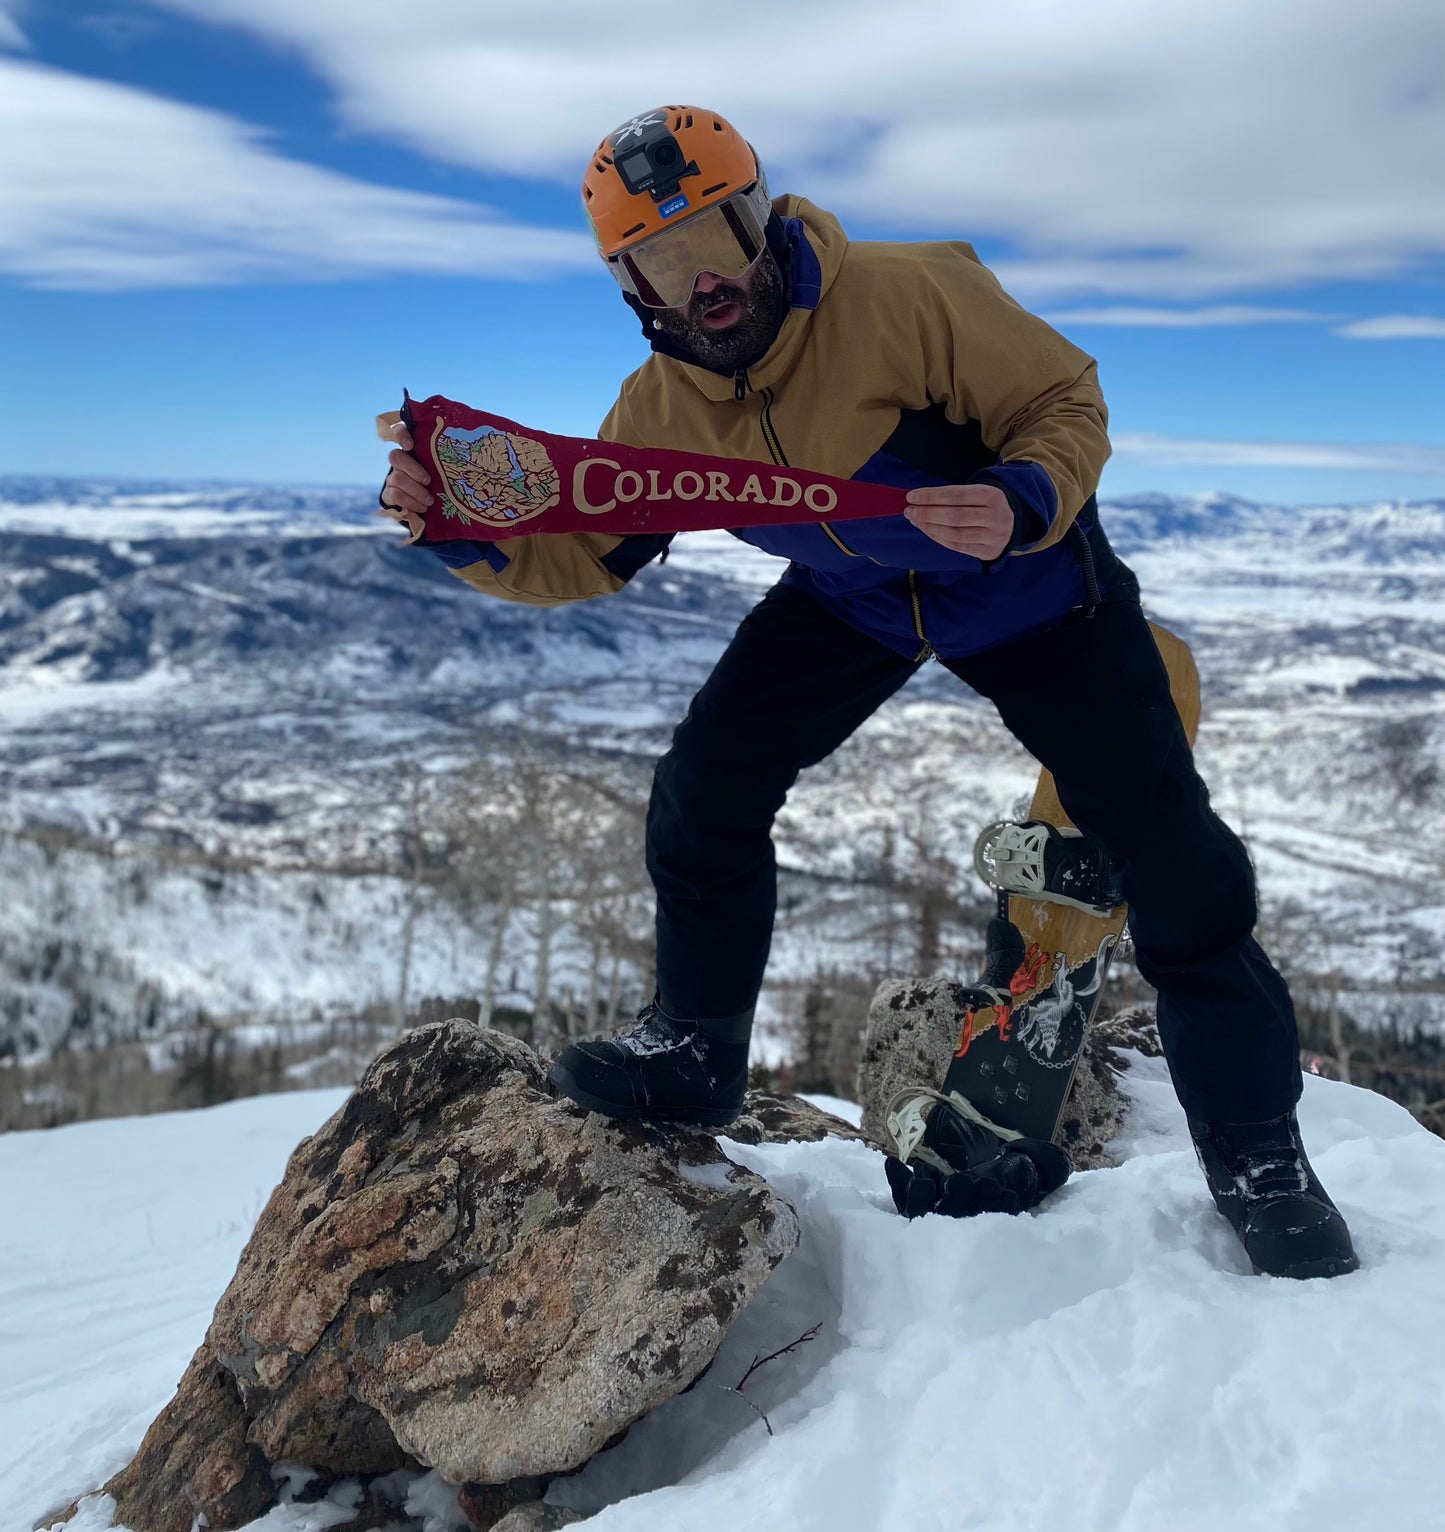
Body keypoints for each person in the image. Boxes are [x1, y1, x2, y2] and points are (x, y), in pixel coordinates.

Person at [380, 105, 1358, 1279]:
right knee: (704, 789)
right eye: (661, 261)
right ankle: (695, 1048)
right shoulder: (660, 405)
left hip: (1031, 597)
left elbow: (1065, 399)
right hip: (848, 601)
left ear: (761, 218)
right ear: (625, 280)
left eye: (717, 239)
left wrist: (1018, 496)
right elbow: (589, 554)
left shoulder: (905, 296)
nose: (704, 285)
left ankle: (1258, 1158)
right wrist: (450, 530)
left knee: (1178, 866)